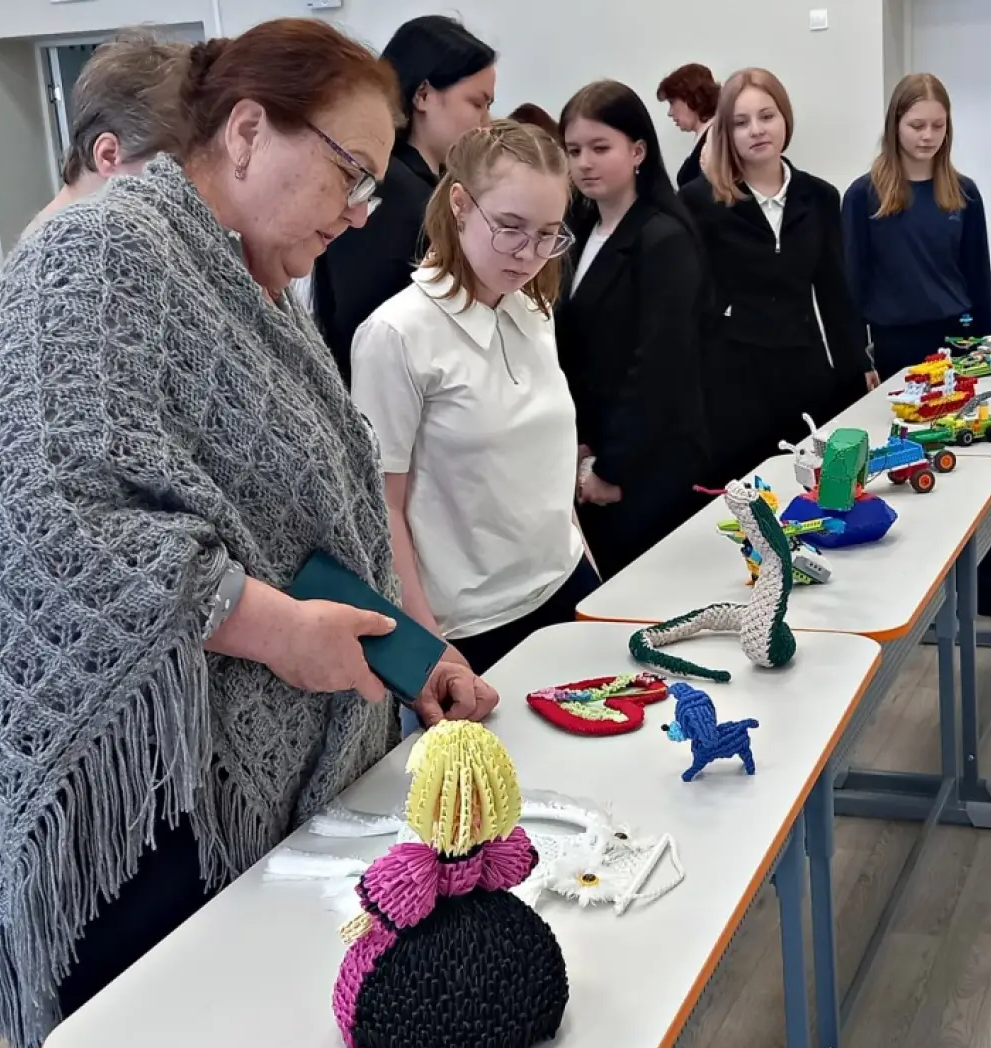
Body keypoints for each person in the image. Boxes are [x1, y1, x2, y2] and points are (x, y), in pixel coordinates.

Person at [0, 19, 497, 1048]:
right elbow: (58, 522)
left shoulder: (250, 280)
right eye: (349, 172)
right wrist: (278, 630)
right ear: (246, 132)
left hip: (228, 796)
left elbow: (314, 523)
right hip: (136, 795)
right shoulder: (94, 251)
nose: (361, 210)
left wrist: (408, 653)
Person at [352, 120, 593, 677]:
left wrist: (588, 570)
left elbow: (546, 467)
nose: (529, 254)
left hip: (566, 583)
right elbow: (382, 508)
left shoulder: (532, 310)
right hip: (472, 626)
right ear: (460, 204)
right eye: (510, 228)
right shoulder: (397, 334)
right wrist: (426, 649)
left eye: (548, 234)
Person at [842, 73, 991, 627]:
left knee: (966, 471)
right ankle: (914, 593)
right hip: (895, 351)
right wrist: (860, 359)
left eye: (937, 126)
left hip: (957, 344)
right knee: (909, 473)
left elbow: (979, 275)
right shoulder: (864, 195)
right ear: (895, 125)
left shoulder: (963, 193)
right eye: (916, 125)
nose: (927, 136)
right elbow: (850, 285)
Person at [681, 68, 879, 485]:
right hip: (732, 378)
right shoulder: (699, 201)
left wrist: (857, 363)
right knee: (749, 496)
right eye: (741, 122)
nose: (756, 130)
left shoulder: (820, 197)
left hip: (803, 366)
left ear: (785, 118)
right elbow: (689, 304)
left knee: (815, 488)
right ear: (726, 132)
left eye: (766, 116)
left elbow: (834, 290)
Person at [556, 80, 710, 580]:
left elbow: (659, 366)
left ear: (638, 151)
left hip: (645, 462)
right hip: (588, 450)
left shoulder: (663, 238)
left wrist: (612, 466)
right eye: (574, 151)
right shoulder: (576, 232)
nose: (584, 163)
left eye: (600, 148)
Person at [312, 15, 497, 385]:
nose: (486, 123)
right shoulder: (392, 190)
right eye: (477, 103)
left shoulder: (419, 185)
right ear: (423, 95)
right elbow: (368, 325)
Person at [20, 30, 191, 240]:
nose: (186, 188)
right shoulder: (70, 249)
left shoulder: (123, 232)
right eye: (174, 169)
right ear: (108, 155)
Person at [656, 63, 721, 187]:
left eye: (672, 102)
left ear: (692, 97)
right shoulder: (710, 138)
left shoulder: (714, 140)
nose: (670, 112)